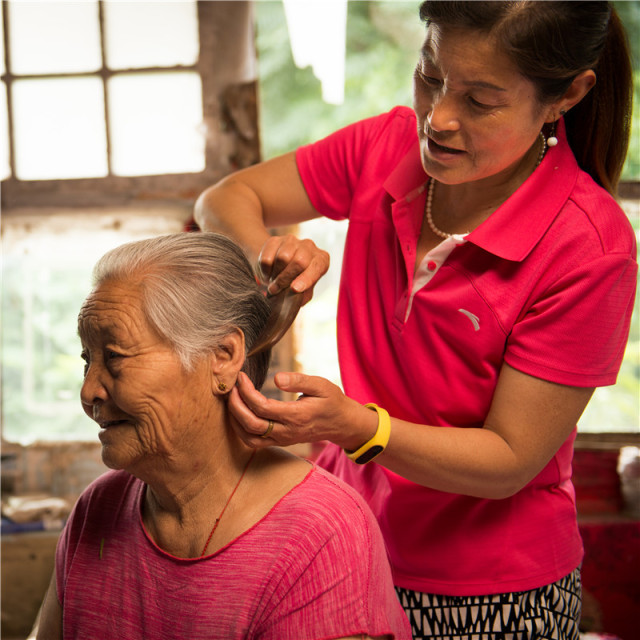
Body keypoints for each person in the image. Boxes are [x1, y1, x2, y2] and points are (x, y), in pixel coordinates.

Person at [193, 2, 638, 638]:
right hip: (348, 542)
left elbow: (510, 459)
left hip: (491, 591)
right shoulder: (385, 146)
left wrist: (357, 428)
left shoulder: (589, 246)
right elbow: (226, 198)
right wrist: (268, 258)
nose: (440, 117)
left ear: (565, 95)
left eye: (481, 100)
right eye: (430, 76)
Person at [33, 232, 412, 640]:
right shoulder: (98, 508)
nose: (88, 392)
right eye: (87, 361)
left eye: (114, 357)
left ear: (223, 356)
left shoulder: (319, 534)